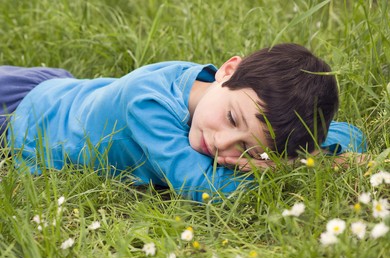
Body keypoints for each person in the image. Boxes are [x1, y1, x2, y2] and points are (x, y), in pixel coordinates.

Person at [0, 43, 366, 202]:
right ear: (228, 70)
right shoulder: (147, 103)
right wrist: (304, 166)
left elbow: (352, 134)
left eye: (246, 149)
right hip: (24, 114)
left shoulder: (227, 98)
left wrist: (292, 156)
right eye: (231, 119)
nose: (223, 144)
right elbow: (205, 189)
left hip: (68, 94)